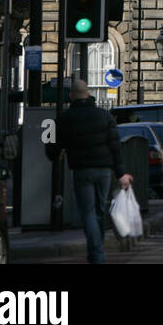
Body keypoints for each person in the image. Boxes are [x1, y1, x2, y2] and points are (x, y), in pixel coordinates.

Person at [54, 77, 133, 264]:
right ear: (88, 93)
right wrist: (121, 173)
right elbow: (115, 147)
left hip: (81, 171)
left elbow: (55, 145)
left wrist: (56, 154)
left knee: (87, 213)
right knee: (99, 211)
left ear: (71, 96)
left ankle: (97, 254)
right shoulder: (104, 116)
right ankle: (95, 251)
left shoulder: (66, 118)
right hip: (104, 170)